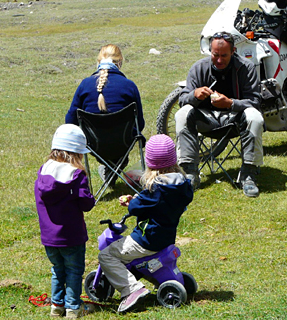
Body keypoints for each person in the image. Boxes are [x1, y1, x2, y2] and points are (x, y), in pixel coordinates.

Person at [98, 134, 194, 313]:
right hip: (166, 237)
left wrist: (131, 201)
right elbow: (157, 205)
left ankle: (131, 289)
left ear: (150, 163)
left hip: (146, 239)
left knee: (107, 256)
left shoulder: (155, 188)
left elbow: (136, 208)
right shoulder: (182, 186)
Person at [175, 31, 264, 197]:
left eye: (224, 55)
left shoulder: (246, 68)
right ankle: (190, 173)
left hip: (236, 121)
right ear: (210, 51)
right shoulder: (199, 68)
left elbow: (255, 102)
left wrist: (230, 103)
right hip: (206, 120)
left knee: (255, 116)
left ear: (233, 51)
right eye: (215, 55)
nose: (219, 60)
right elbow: (182, 99)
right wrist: (194, 95)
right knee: (182, 113)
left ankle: (249, 174)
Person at [34, 124, 96, 318]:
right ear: (76, 153)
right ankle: (73, 308)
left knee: (57, 270)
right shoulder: (76, 175)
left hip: (49, 236)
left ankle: (57, 306)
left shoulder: (44, 171)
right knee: (74, 271)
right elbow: (86, 204)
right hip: (72, 236)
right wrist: (90, 198)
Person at [65, 44, 145, 186]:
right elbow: (140, 123)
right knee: (122, 141)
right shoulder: (129, 85)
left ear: (98, 62)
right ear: (119, 63)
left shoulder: (85, 85)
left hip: (94, 145)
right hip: (124, 143)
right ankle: (114, 167)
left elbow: (70, 121)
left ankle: (110, 169)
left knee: (107, 143)